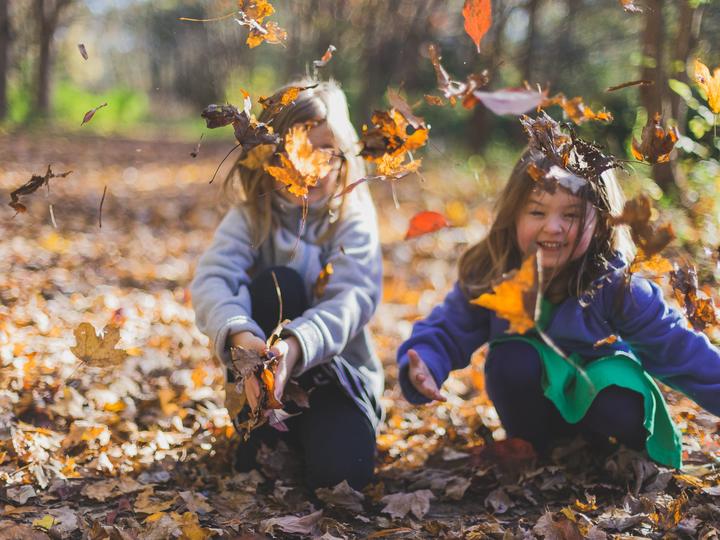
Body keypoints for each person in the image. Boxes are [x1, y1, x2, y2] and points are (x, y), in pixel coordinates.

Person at [397, 128, 720, 469]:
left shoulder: (615, 284)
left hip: (604, 406)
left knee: (616, 389)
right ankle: (536, 448)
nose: (552, 227)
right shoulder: (494, 273)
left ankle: (605, 455)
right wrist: (427, 363)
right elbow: (448, 328)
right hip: (535, 411)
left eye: (571, 216)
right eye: (537, 212)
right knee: (513, 357)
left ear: (602, 223)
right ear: (514, 215)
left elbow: (679, 349)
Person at [191, 80, 383, 489]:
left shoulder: (351, 218)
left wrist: (294, 348)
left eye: (323, 152)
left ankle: (323, 437)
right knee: (278, 282)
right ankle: (263, 432)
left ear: (343, 156)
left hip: (337, 382)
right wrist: (242, 337)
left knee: (343, 478)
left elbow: (352, 298)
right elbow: (212, 280)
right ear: (267, 157)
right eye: (292, 151)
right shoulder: (251, 218)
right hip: (260, 385)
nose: (307, 167)